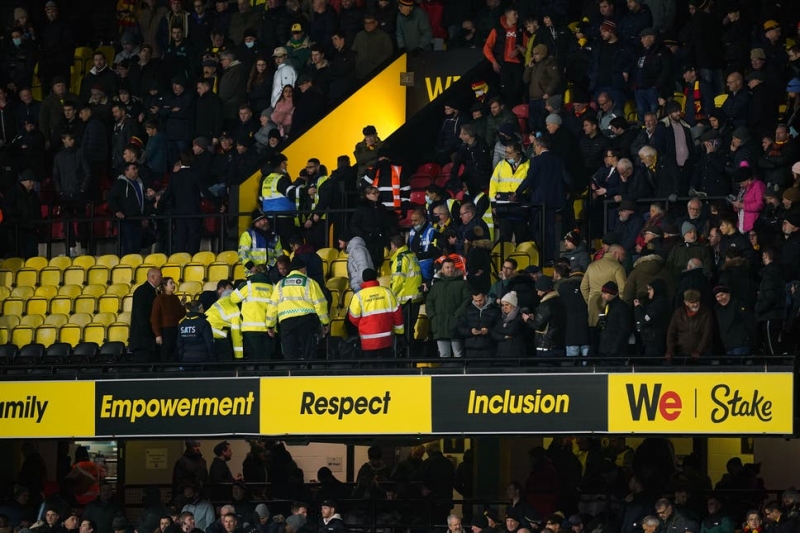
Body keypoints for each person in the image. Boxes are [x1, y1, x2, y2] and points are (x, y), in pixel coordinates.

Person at [266, 257, 329, 361]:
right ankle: (309, 370)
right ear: (302, 269)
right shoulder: (310, 282)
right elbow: (320, 304)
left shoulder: (280, 284)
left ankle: (292, 370)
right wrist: (325, 322)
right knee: (309, 354)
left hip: (287, 322)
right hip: (306, 321)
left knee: (290, 355)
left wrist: (270, 325)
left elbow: (272, 306)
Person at [347, 268, 404, 358]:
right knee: (386, 365)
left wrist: (364, 325)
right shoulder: (387, 292)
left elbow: (353, 318)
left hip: (368, 341)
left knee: (370, 366)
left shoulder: (358, 296)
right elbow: (397, 314)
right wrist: (399, 333)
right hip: (386, 340)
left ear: (363, 279)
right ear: (375, 277)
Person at [428, 258, 471, 358]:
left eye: (452, 267)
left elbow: (467, 299)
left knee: (458, 354)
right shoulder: (436, 285)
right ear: (442, 269)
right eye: (447, 267)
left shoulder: (462, 283)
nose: (450, 269)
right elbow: (429, 301)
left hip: (455, 324)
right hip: (439, 324)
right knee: (444, 355)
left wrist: (457, 315)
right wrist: (432, 316)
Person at [230, 265, 274, 361]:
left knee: (253, 359)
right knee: (266, 359)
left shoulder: (247, 285)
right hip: (269, 328)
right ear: (266, 273)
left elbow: (233, 298)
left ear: (255, 272)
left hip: (250, 328)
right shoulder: (273, 286)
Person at [389, 234, 423, 350]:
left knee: (404, 331)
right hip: (415, 298)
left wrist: (391, 296)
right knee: (410, 330)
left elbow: (398, 279)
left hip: (406, 300)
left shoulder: (400, 258)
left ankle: (405, 356)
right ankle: (411, 355)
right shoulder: (412, 256)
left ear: (393, 246)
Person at [522, 276, 566, 358]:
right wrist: (535, 318)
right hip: (559, 344)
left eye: (539, 290)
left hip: (546, 346)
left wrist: (527, 320)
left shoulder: (545, 304)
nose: (538, 293)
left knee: (545, 365)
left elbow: (538, 326)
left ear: (544, 290)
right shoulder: (560, 301)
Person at [665, 289, 714, 363]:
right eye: (692, 302)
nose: (695, 304)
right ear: (686, 302)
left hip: (702, 356)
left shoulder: (706, 313)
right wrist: (670, 350)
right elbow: (671, 333)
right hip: (681, 355)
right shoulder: (678, 313)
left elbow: (707, 334)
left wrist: (698, 351)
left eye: (697, 301)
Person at [128, 268, 162, 362]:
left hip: (150, 341)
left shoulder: (155, 292)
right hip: (143, 341)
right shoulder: (142, 291)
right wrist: (152, 334)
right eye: (160, 276)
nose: (161, 278)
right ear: (153, 277)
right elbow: (141, 316)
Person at [632, 279, 671, 359]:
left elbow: (645, 320)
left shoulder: (657, 305)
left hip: (653, 342)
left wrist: (638, 308)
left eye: (650, 289)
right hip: (655, 340)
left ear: (656, 290)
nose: (648, 291)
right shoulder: (659, 303)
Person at [150, 277, 186, 362]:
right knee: (165, 354)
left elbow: (181, 315)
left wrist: (182, 304)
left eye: (173, 283)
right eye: (171, 283)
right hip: (165, 331)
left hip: (176, 329)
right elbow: (154, 318)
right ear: (164, 286)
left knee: (175, 353)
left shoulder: (175, 298)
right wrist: (158, 334)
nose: (173, 285)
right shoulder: (159, 299)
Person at [458, 289, 500, 360]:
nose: (478, 303)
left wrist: (488, 331)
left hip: (489, 349)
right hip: (470, 349)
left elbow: (499, 328)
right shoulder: (467, 310)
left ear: (485, 297)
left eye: (480, 300)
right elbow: (460, 328)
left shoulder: (495, 311)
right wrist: (470, 331)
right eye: (476, 301)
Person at [597, 281, 631, 359]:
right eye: (602, 293)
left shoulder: (622, 307)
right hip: (605, 349)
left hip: (616, 352)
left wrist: (615, 348)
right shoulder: (607, 306)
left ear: (613, 293)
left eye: (606, 293)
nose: (603, 296)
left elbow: (624, 329)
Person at [492, 291, 526, 358]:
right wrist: (504, 337)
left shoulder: (520, 317)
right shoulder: (501, 318)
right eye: (503, 305)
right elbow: (493, 333)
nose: (504, 307)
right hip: (501, 354)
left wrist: (498, 330)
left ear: (513, 305)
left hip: (515, 354)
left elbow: (511, 331)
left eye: (507, 305)